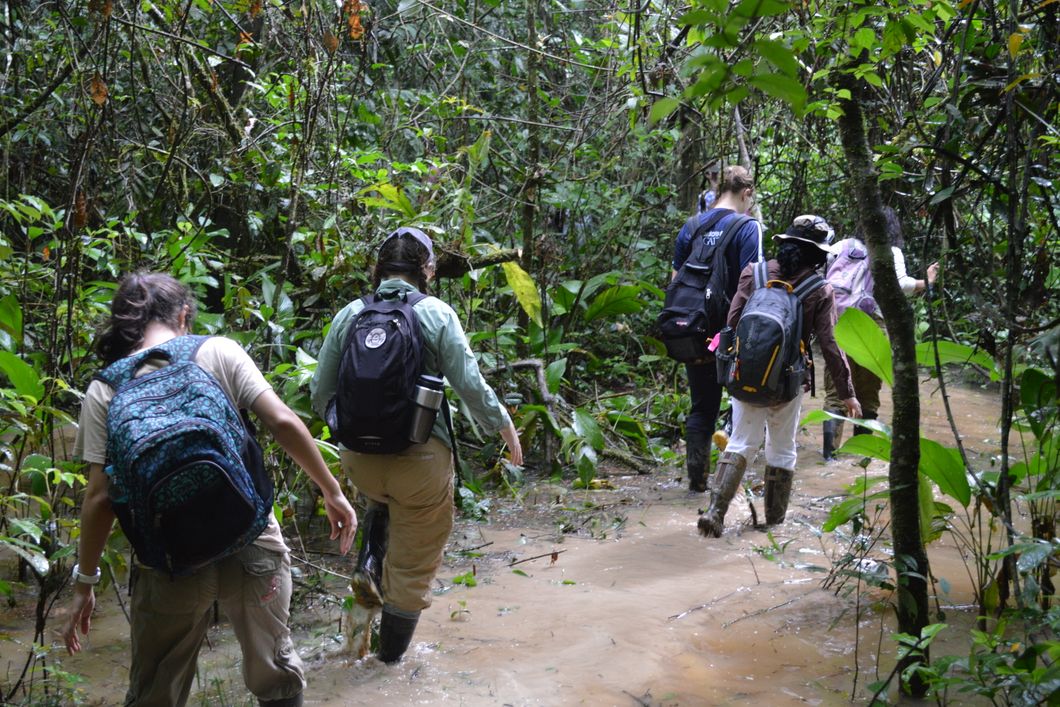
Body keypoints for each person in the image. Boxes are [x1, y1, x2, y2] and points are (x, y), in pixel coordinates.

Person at [62, 272, 357, 707]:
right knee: (274, 670)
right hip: (249, 534)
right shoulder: (217, 350)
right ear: (184, 316)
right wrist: (331, 491)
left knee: (157, 686)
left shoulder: (104, 390)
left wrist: (85, 583)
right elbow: (282, 422)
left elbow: (100, 498)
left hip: (168, 556)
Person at [310, 227, 523, 664]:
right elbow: (469, 385)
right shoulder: (436, 313)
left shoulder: (350, 313)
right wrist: (503, 426)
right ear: (427, 270)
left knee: (382, 499)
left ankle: (369, 565)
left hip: (359, 462)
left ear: (379, 268)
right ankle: (386, 669)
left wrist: (356, 431)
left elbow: (320, 393)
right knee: (410, 569)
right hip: (420, 462)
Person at [698, 215, 861, 537]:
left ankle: (715, 513)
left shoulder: (753, 273)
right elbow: (829, 345)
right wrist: (847, 391)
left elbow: (731, 325)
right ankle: (773, 527)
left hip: (744, 375)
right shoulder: (820, 288)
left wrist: (727, 371)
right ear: (818, 254)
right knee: (782, 448)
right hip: (787, 382)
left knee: (742, 442)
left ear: (785, 244)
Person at [671, 165, 762, 493]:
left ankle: (696, 484)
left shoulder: (691, 225)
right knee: (743, 405)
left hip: (692, 328)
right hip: (730, 331)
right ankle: (727, 491)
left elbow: (675, 282)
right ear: (746, 193)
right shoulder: (747, 227)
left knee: (701, 407)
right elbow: (750, 284)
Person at [821, 206, 939, 458]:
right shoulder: (889, 251)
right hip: (871, 325)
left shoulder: (843, 245)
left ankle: (828, 457)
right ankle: (861, 457)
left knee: (836, 391)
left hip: (837, 324)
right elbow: (902, 283)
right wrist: (926, 281)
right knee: (867, 393)